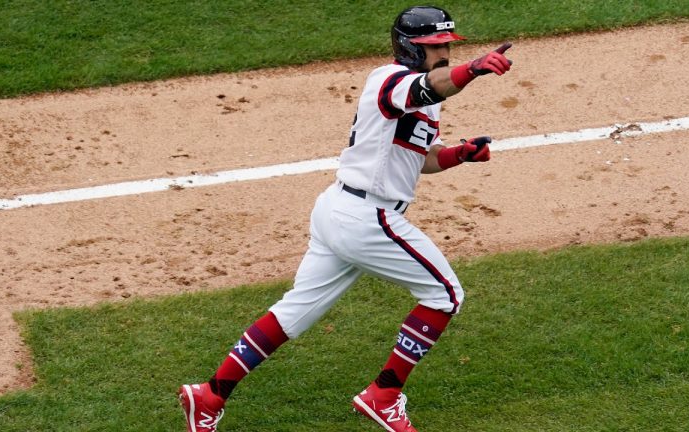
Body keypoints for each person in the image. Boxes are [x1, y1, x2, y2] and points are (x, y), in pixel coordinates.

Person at [178, 5, 512, 432]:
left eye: (448, 44)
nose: (444, 52)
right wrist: (475, 70)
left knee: (292, 314)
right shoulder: (390, 81)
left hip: (340, 212)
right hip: (367, 217)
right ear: (410, 47)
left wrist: (460, 154)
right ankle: (383, 394)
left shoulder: (422, 97)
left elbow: (424, 159)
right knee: (446, 295)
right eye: (435, 46)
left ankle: (208, 397)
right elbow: (431, 86)